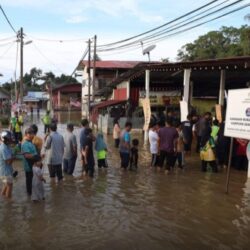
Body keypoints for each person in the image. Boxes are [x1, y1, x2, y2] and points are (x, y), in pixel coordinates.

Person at [21, 127, 38, 195]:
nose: (32, 135)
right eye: (30, 133)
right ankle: (29, 194)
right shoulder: (25, 144)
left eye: (33, 133)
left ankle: (31, 194)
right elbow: (27, 155)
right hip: (29, 166)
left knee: (32, 180)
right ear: (26, 134)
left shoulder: (30, 142)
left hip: (33, 165)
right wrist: (37, 157)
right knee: (29, 181)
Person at [0, 131, 15, 198]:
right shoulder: (3, 148)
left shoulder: (5, 146)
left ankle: (3, 198)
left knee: (6, 185)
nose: (10, 140)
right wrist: (14, 156)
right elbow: (8, 162)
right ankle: (8, 203)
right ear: (5, 139)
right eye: (9, 139)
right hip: (5, 171)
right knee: (10, 185)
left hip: (5, 170)